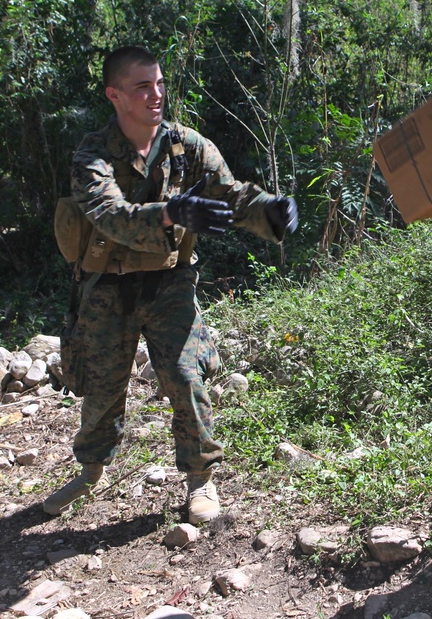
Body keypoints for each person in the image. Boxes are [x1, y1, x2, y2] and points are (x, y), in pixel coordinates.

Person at [45, 46, 298, 524]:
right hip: (106, 287)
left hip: (169, 282)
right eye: (142, 86)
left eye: (159, 83)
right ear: (115, 95)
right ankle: (90, 472)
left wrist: (270, 210)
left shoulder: (187, 144)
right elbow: (109, 215)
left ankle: (201, 479)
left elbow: (230, 193)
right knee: (102, 388)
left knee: (185, 377)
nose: (155, 94)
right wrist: (172, 211)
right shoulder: (92, 154)